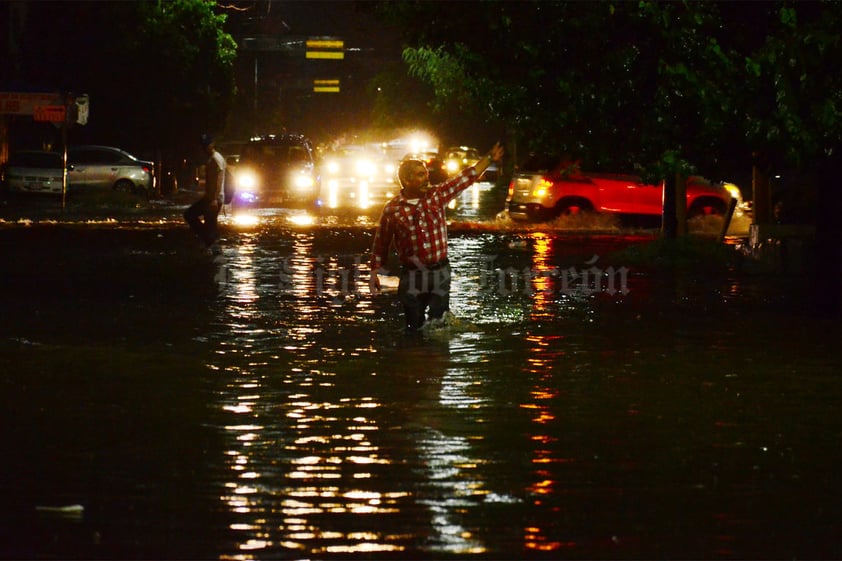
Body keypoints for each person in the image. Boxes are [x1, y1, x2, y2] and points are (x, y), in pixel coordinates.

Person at [370, 142, 504, 332]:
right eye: (420, 175)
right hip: (412, 276)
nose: (427, 178)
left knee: (439, 327)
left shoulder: (436, 196)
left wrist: (489, 158)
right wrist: (375, 272)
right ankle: (415, 356)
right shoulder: (392, 209)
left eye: (426, 173)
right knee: (413, 328)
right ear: (407, 181)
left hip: (440, 273)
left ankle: (437, 359)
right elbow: (381, 242)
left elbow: (466, 178)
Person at [184, 134, 225, 254]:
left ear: (212, 144)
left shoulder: (214, 160)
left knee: (190, 215)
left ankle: (210, 244)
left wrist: (214, 199)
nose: (205, 148)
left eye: (207, 145)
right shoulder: (216, 158)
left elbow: (217, 180)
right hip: (213, 198)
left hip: (213, 198)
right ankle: (211, 247)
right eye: (203, 145)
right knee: (210, 224)